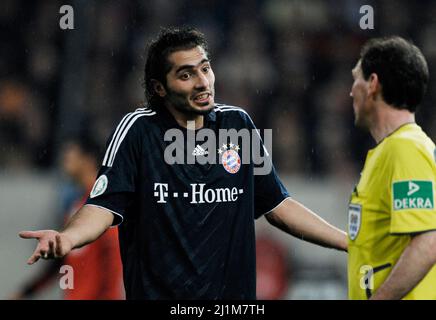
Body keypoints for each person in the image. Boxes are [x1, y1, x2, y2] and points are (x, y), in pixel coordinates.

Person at [20, 27, 347, 300]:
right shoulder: (138, 132)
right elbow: (103, 207)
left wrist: (347, 241)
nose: (203, 82)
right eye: (186, 74)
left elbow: (277, 205)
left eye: (205, 68)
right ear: (160, 88)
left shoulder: (237, 125)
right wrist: (69, 237)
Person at [348, 36, 436, 300]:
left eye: (356, 79)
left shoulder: (405, 148)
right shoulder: (389, 151)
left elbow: (428, 242)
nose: (352, 91)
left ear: (372, 84)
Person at [15, 138, 124, 299]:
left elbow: (113, 260)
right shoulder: (76, 207)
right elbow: (61, 261)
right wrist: (27, 291)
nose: (65, 159)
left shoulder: (104, 207)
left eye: (70, 154)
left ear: (88, 160)